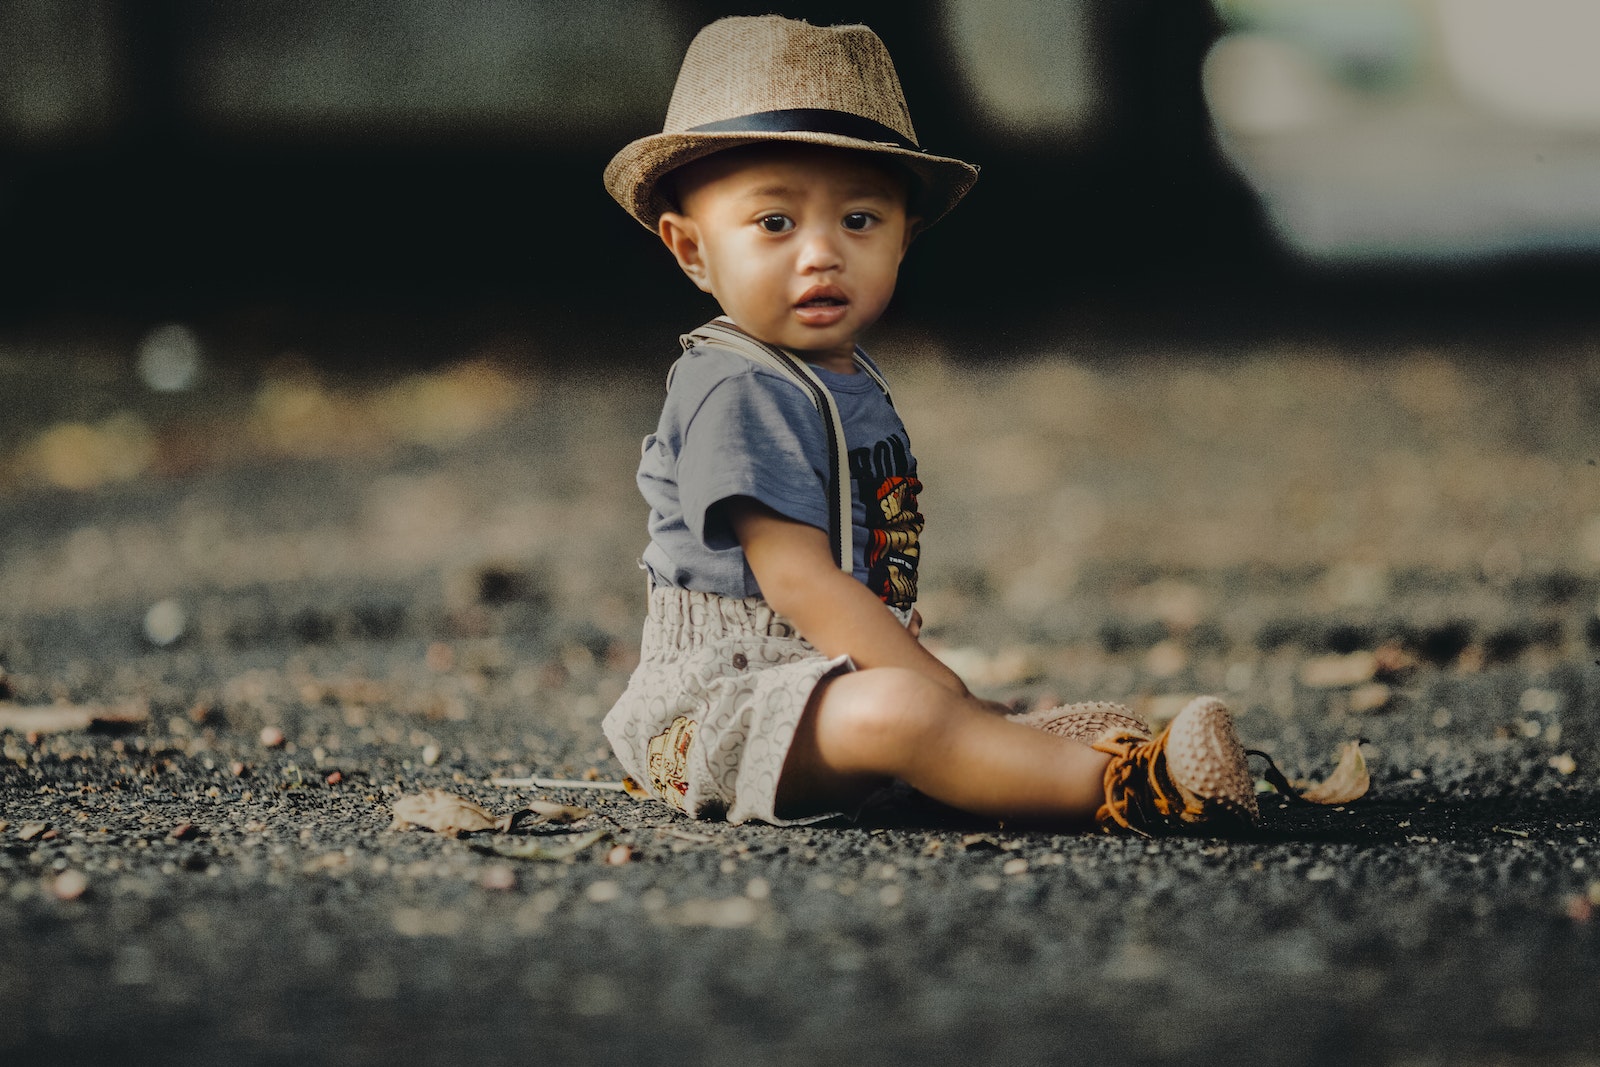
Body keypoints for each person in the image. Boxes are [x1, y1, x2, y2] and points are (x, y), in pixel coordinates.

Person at [600, 14, 1258, 835]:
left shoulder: (847, 379)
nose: (821, 253)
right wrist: (939, 687)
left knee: (914, 710)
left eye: (859, 221)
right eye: (775, 222)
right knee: (906, 712)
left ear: (904, 238)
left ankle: (1002, 758)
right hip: (719, 712)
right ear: (692, 250)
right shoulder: (734, 386)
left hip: (823, 679)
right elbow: (798, 581)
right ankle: (1131, 786)